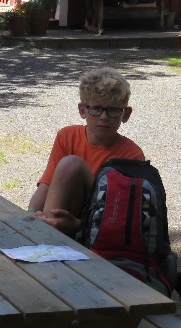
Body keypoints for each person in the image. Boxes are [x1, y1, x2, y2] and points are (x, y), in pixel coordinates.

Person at [28, 67, 143, 237]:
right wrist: (31, 212)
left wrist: (78, 225)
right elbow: (47, 183)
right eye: (96, 109)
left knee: (72, 164)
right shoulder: (67, 136)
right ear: (83, 110)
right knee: (69, 164)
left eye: (112, 110)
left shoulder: (132, 155)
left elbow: (120, 215)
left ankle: (45, 236)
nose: (104, 117)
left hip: (95, 229)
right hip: (61, 213)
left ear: (125, 114)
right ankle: (46, 230)